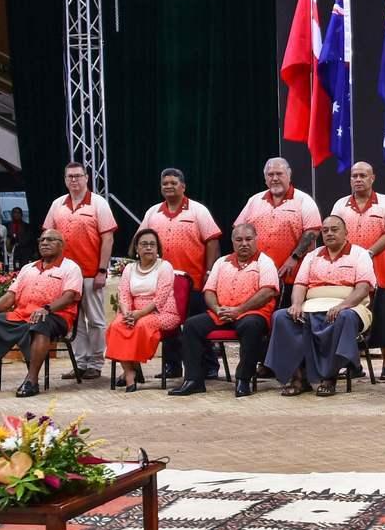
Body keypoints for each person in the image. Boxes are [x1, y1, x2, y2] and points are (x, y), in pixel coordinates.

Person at [0, 230, 82, 398]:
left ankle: (31, 380)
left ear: (62, 245)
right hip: (21, 315)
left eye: (50, 240)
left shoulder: (70, 267)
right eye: (42, 240)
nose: (44, 243)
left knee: (41, 324)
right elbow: (11, 295)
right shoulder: (28, 268)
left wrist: (47, 309)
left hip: (55, 316)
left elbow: (69, 296)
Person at [265, 215, 375, 398]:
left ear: (346, 232)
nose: (329, 233)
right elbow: (300, 285)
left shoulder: (360, 254)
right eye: (325, 230)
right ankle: (299, 377)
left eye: (334, 229)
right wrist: (296, 304)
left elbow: (363, 288)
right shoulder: (312, 256)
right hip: (311, 305)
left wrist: (342, 306)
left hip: (350, 306)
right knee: (282, 317)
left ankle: (329, 378)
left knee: (344, 317)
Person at [170, 223, 279, 398]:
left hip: (251, 313)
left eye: (248, 239)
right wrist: (216, 308)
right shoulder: (222, 262)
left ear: (256, 239)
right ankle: (193, 380)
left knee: (251, 326)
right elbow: (209, 291)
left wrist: (239, 310)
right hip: (221, 314)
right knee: (191, 325)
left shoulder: (265, 262)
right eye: (239, 240)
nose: (244, 243)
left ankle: (243, 379)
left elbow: (268, 292)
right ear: (233, 242)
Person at [139, 168, 222, 379]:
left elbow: (212, 241)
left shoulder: (198, 210)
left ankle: (209, 366)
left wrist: (209, 271)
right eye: (165, 183)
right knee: (169, 324)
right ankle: (172, 366)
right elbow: (142, 240)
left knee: (197, 324)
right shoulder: (152, 213)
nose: (169, 186)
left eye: (173, 183)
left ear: (183, 186)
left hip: (194, 280)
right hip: (163, 283)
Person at [42, 161, 117, 381]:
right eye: (70, 176)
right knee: (74, 322)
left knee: (95, 321)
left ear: (86, 178)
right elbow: (48, 237)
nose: (74, 180)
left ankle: (96, 363)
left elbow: (108, 239)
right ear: (65, 180)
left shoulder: (98, 203)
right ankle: (80, 363)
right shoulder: (57, 204)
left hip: (91, 273)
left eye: (78, 176)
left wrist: (102, 270)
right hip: (65, 276)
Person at [331, 161, 385, 382]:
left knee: (384, 315)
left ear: (372, 178)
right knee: (350, 314)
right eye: (354, 176)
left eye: (363, 175)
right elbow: (333, 232)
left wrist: (368, 253)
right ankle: (352, 364)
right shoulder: (340, 205)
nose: (358, 179)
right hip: (349, 272)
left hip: (380, 268)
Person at [104, 229, 179, 392]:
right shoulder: (130, 268)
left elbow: (161, 298)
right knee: (117, 326)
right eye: (144, 244)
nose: (148, 247)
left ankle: (132, 370)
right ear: (136, 248)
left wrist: (139, 314)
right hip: (133, 312)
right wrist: (127, 313)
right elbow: (123, 294)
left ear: (158, 248)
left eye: (152, 244)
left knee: (140, 326)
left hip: (162, 312)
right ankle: (129, 371)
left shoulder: (165, 266)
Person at [235, 156, 323, 292]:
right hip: (255, 275)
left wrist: (294, 258)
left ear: (289, 175)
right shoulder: (254, 200)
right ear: (265, 179)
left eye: (279, 174)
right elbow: (238, 230)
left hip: (290, 275)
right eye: (270, 175)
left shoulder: (304, 200)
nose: (274, 178)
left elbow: (312, 232)